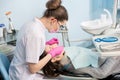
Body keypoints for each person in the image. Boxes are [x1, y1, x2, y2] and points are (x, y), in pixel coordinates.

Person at [9, 0, 68, 80]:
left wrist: (45, 45)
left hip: (16, 69)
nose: (58, 29)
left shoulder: (31, 24)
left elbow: (29, 46)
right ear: (53, 21)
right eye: (60, 26)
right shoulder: (36, 34)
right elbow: (33, 69)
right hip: (23, 76)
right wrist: (51, 54)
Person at [39, 38, 120, 79]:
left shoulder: (65, 53)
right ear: (53, 59)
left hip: (103, 55)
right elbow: (101, 73)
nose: (53, 45)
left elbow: (82, 49)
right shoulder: (75, 66)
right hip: (115, 63)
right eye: (50, 47)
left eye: (49, 44)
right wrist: (114, 56)